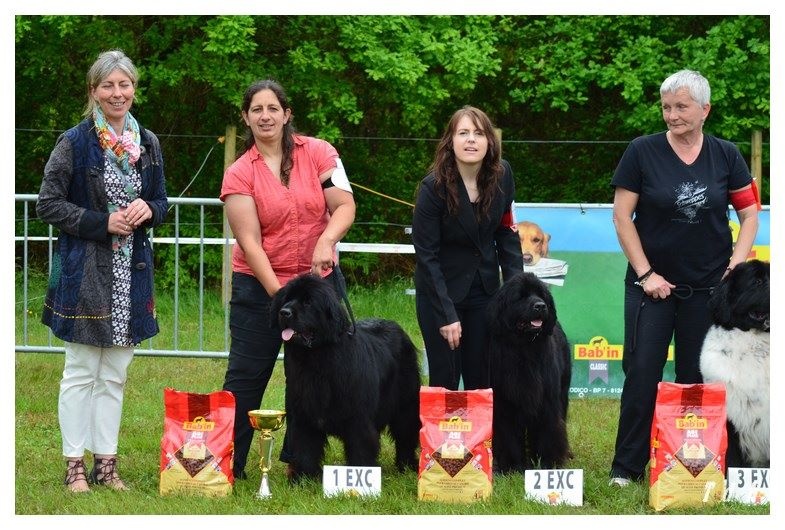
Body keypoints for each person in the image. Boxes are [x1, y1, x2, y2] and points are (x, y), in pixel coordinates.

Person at [608, 69, 759, 487]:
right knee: (642, 374)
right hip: (649, 288)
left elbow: (749, 215)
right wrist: (646, 273)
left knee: (696, 382)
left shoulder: (727, 155)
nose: (671, 115)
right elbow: (622, 217)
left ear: (705, 110)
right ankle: (626, 469)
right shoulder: (641, 152)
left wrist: (736, 266)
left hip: (708, 291)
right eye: (666, 107)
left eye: (681, 107)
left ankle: (691, 463)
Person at [36, 49, 168, 493]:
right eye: (108, 85)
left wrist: (145, 208)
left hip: (132, 273)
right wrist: (101, 222)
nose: (117, 93)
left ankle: (106, 465)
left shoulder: (147, 142)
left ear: (133, 89)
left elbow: (162, 203)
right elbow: (48, 204)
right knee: (80, 370)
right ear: (94, 91)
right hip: (85, 273)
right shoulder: (74, 142)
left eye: (124, 84)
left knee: (115, 373)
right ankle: (74, 463)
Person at [220, 79, 356, 479]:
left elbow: (344, 204)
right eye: (256, 109)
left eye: (272, 108)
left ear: (286, 114)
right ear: (246, 117)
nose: (265, 116)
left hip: (318, 287)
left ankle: (303, 463)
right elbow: (249, 241)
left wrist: (326, 239)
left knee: (318, 378)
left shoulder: (319, 153)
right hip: (259, 287)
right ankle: (228, 463)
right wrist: (284, 301)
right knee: (246, 377)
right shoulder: (239, 172)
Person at [412, 105, 523, 391]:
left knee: (483, 381)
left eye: (478, 133)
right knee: (446, 380)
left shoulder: (503, 175)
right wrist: (447, 316)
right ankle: (444, 437)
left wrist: (516, 296)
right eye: (463, 133)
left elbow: (507, 235)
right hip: (440, 294)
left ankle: (482, 438)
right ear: (450, 141)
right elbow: (427, 256)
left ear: (490, 141)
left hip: (484, 292)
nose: (471, 140)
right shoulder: (431, 188)